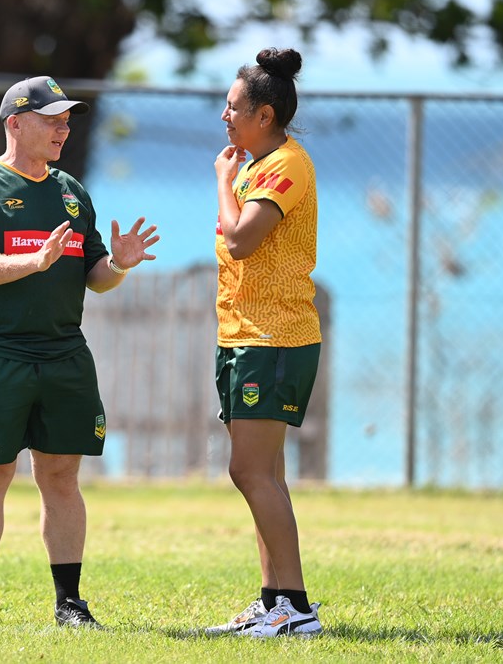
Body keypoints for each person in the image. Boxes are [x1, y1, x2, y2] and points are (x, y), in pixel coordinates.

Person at [0, 75, 159, 628]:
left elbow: (94, 275)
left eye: (67, 119)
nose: (64, 128)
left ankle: (70, 603)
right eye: (52, 118)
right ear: (15, 122)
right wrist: (32, 263)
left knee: (62, 475)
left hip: (64, 355)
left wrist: (121, 265)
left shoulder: (72, 192)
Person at [204, 48, 323, 638]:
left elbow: (243, 239)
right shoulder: (258, 162)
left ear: (266, 115)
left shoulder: (284, 166)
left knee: (249, 472)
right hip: (245, 335)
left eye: (232, 108)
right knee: (264, 475)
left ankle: (296, 606)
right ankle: (274, 601)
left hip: (274, 338)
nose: (224, 117)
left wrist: (223, 181)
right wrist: (234, 177)